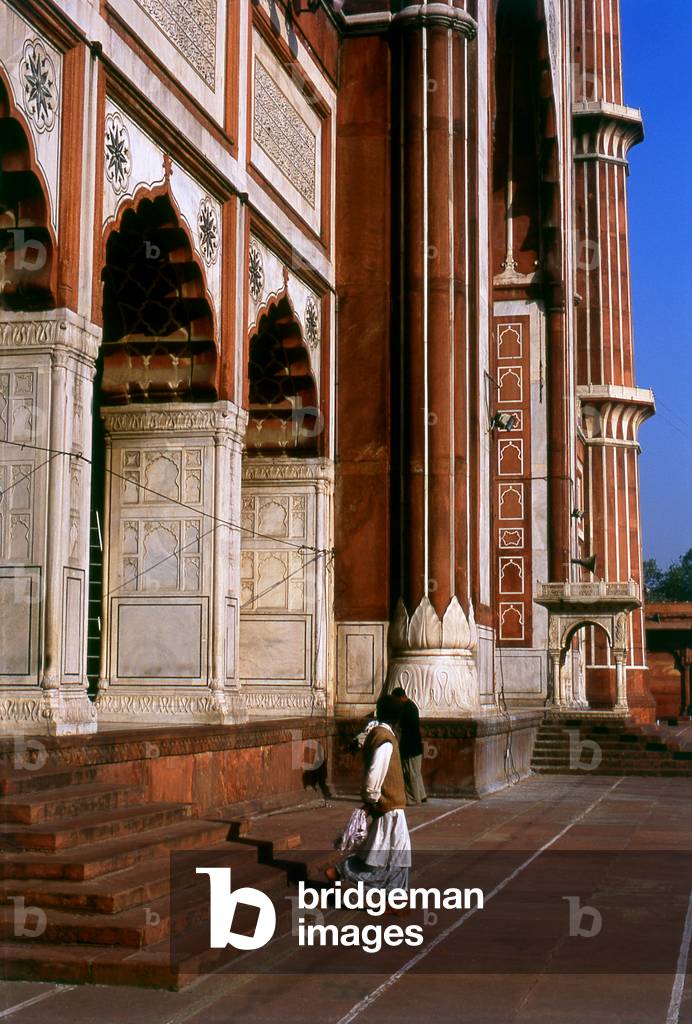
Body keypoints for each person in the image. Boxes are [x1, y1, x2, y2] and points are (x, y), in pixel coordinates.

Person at [326, 694, 410, 895]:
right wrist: (372, 799)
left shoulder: (379, 733)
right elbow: (375, 773)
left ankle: (342, 873)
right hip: (389, 806)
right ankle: (342, 873)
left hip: (390, 805)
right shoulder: (385, 740)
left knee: (384, 854)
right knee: (391, 856)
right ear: (398, 718)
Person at [390, 686, 427, 805]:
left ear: (400, 698)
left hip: (409, 747)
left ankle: (413, 799)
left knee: (410, 774)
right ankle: (421, 795)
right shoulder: (412, 706)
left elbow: (402, 729)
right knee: (416, 772)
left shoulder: (405, 709)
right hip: (415, 746)